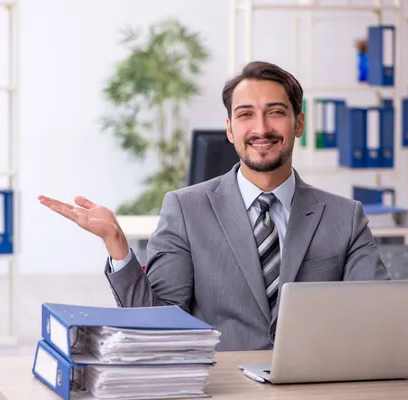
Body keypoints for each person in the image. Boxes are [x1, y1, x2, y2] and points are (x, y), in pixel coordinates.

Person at [38, 61, 390, 351]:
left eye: (276, 112)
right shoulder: (185, 210)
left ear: (298, 123)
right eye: (246, 115)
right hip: (221, 385)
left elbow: (376, 318)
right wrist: (117, 245)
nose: (261, 128)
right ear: (230, 129)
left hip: (316, 386)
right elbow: (159, 322)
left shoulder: (346, 216)